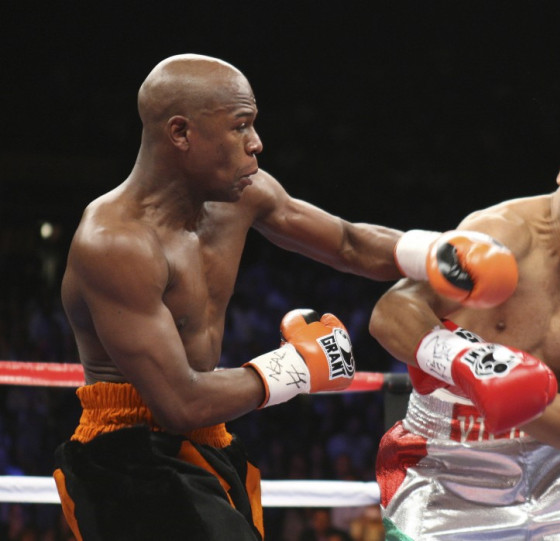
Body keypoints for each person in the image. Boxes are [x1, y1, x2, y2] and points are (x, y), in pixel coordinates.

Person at [51, 53, 509, 541]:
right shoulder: (116, 242)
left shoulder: (242, 194)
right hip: (126, 453)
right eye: (240, 126)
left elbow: (350, 243)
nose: (256, 144)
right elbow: (178, 403)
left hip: (210, 440)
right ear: (181, 133)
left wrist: (438, 254)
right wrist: (294, 369)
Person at [370, 101, 560, 540]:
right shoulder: (498, 232)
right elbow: (390, 314)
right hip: (448, 460)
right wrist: (470, 364)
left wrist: (515, 397)